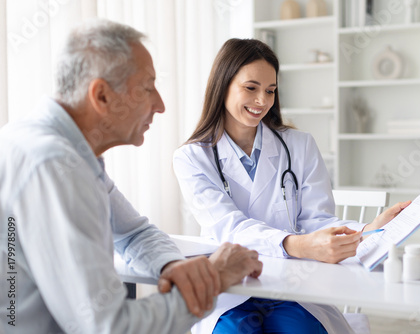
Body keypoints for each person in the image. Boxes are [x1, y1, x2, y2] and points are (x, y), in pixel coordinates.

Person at [0, 20, 263, 334]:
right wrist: (215, 279)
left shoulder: (64, 148)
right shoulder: (54, 165)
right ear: (102, 96)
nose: (161, 105)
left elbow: (134, 232)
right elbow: (110, 328)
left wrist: (175, 266)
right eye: (147, 87)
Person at [173, 38, 411, 333]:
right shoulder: (192, 157)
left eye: (270, 90)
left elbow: (317, 220)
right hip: (230, 289)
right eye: (251, 88)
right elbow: (229, 229)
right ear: (222, 85)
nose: (262, 100)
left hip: (292, 286)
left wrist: (369, 230)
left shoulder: (299, 145)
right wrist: (295, 244)